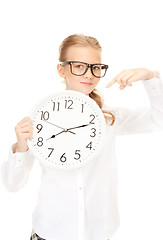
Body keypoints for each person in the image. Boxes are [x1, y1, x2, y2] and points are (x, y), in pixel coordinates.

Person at [1, 34, 163, 240]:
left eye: (95, 67)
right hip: (50, 232)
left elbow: (159, 120)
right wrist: (21, 147)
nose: (89, 75)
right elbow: (12, 185)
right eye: (79, 66)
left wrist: (150, 76)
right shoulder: (41, 117)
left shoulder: (109, 119)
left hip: (98, 232)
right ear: (62, 69)